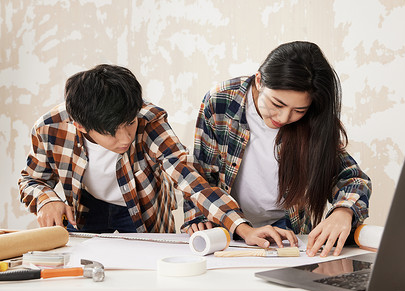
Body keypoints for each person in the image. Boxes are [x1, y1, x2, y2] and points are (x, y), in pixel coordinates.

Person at [19, 64, 283, 237]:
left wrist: (243, 228)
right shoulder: (50, 127)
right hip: (85, 207)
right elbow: (31, 179)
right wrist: (47, 199)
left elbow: (191, 179)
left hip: (143, 212)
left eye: (129, 123)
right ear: (80, 126)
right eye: (111, 132)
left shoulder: (150, 120)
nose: (125, 139)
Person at [183, 41, 372, 257]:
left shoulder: (313, 120)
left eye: (298, 110)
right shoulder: (221, 101)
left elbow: (353, 178)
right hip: (226, 229)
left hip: (288, 233)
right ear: (259, 80)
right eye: (277, 104)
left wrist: (344, 210)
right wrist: (198, 217)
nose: (283, 118)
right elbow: (199, 175)